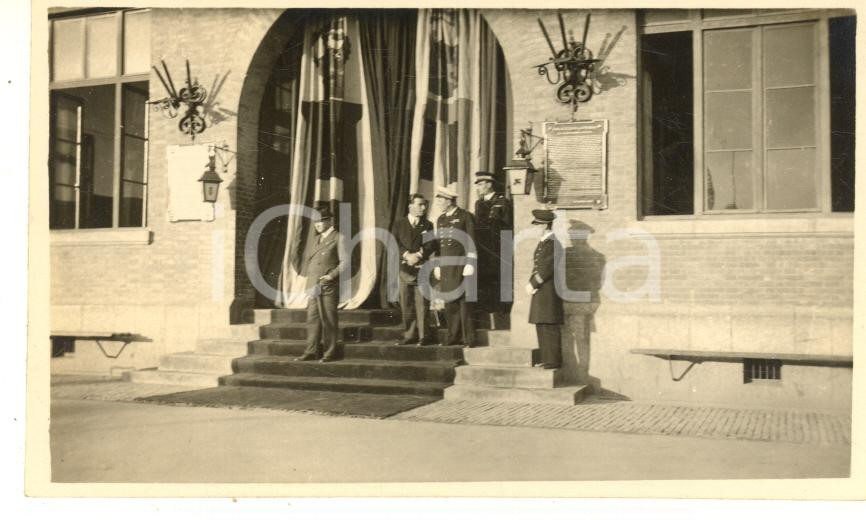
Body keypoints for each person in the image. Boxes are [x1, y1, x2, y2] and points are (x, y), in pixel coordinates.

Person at [295, 204, 347, 363]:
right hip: (313, 285)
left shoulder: (339, 238)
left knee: (329, 319)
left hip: (328, 285)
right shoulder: (316, 239)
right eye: (315, 222)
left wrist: (331, 276)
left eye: (321, 221)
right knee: (312, 319)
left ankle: (329, 352)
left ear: (330, 221)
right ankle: (311, 351)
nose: (317, 225)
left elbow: (346, 262)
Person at [433, 184, 477, 347]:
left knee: (464, 303)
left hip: (461, 264)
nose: (439, 204)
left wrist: (470, 263)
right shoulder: (441, 219)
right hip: (446, 266)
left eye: (441, 201)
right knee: (450, 303)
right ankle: (453, 336)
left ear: (449, 200)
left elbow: (471, 240)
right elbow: (439, 245)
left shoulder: (465, 216)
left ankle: (469, 339)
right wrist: (437, 265)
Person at [393, 193, 436, 346]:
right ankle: (409, 334)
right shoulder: (399, 224)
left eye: (424, 205)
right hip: (405, 269)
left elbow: (431, 245)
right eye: (420, 204)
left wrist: (417, 255)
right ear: (410, 206)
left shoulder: (428, 225)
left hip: (421, 268)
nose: (423, 208)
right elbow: (395, 243)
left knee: (422, 304)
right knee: (407, 303)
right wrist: (406, 255)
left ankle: (424, 336)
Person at [526, 209, 563, 369]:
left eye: (538, 225)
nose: (535, 228)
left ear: (546, 225)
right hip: (541, 290)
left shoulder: (554, 244)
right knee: (541, 324)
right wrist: (531, 283)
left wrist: (534, 283)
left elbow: (547, 268)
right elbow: (537, 266)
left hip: (549, 291)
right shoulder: (544, 243)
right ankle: (546, 358)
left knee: (549, 325)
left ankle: (553, 360)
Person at [473, 171, 512, 314]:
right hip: (483, 248)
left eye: (481, 184)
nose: (478, 187)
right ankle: (487, 311)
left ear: (489, 184)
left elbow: (507, 227)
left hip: (499, 248)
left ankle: (502, 312)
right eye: (477, 185)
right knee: (485, 279)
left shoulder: (502, 202)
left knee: (500, 280)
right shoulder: (479, 203)